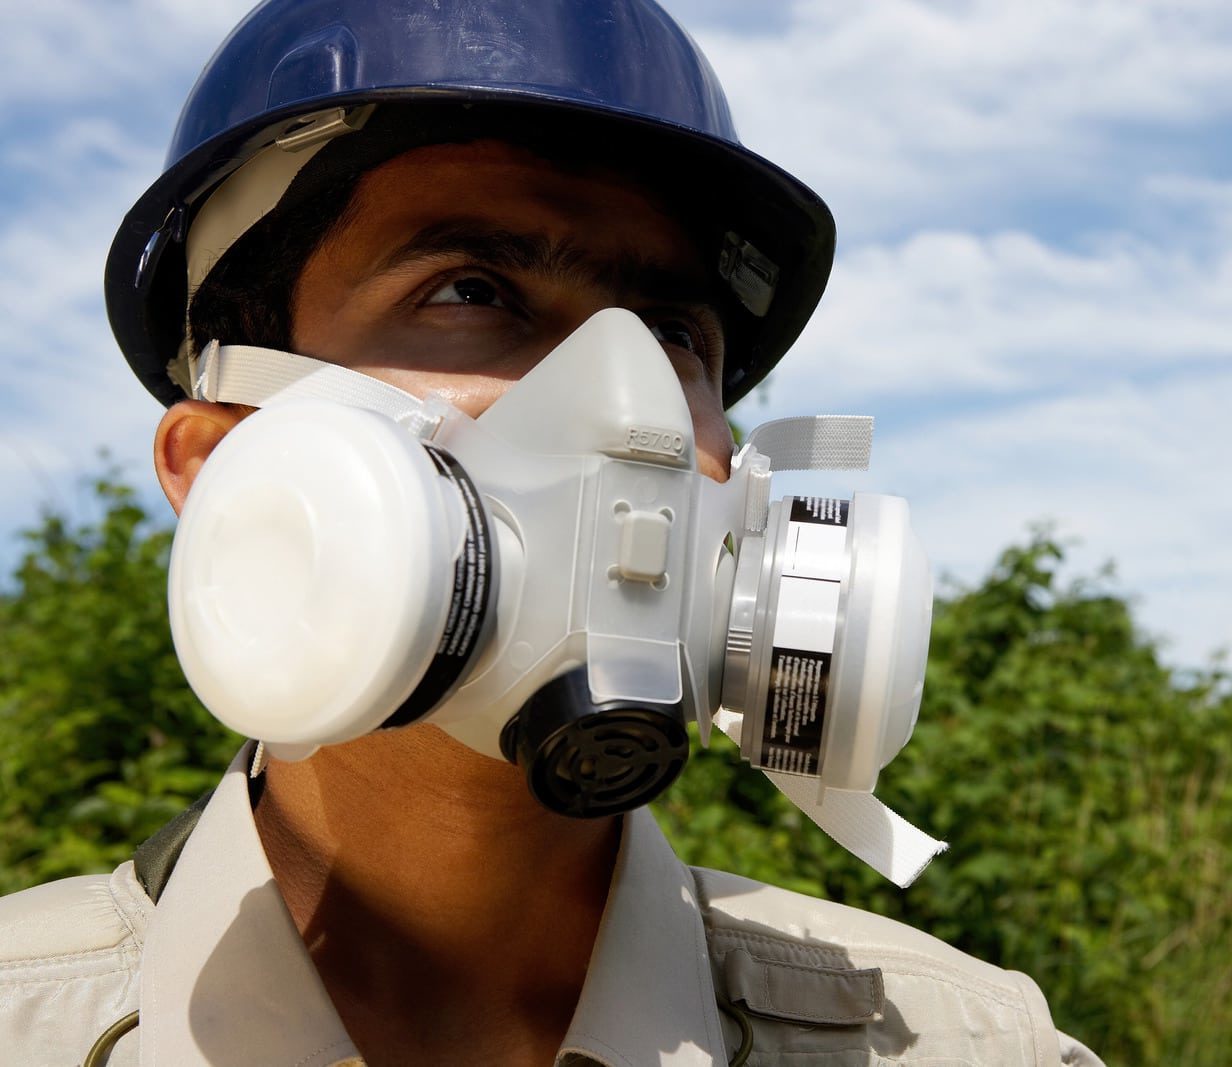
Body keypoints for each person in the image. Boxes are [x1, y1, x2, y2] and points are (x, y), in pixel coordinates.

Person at [0, 2, 1103, 1064]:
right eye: (472, 290)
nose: (632, 411)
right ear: (222, 458)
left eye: (674, 334)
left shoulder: (959, 1041)